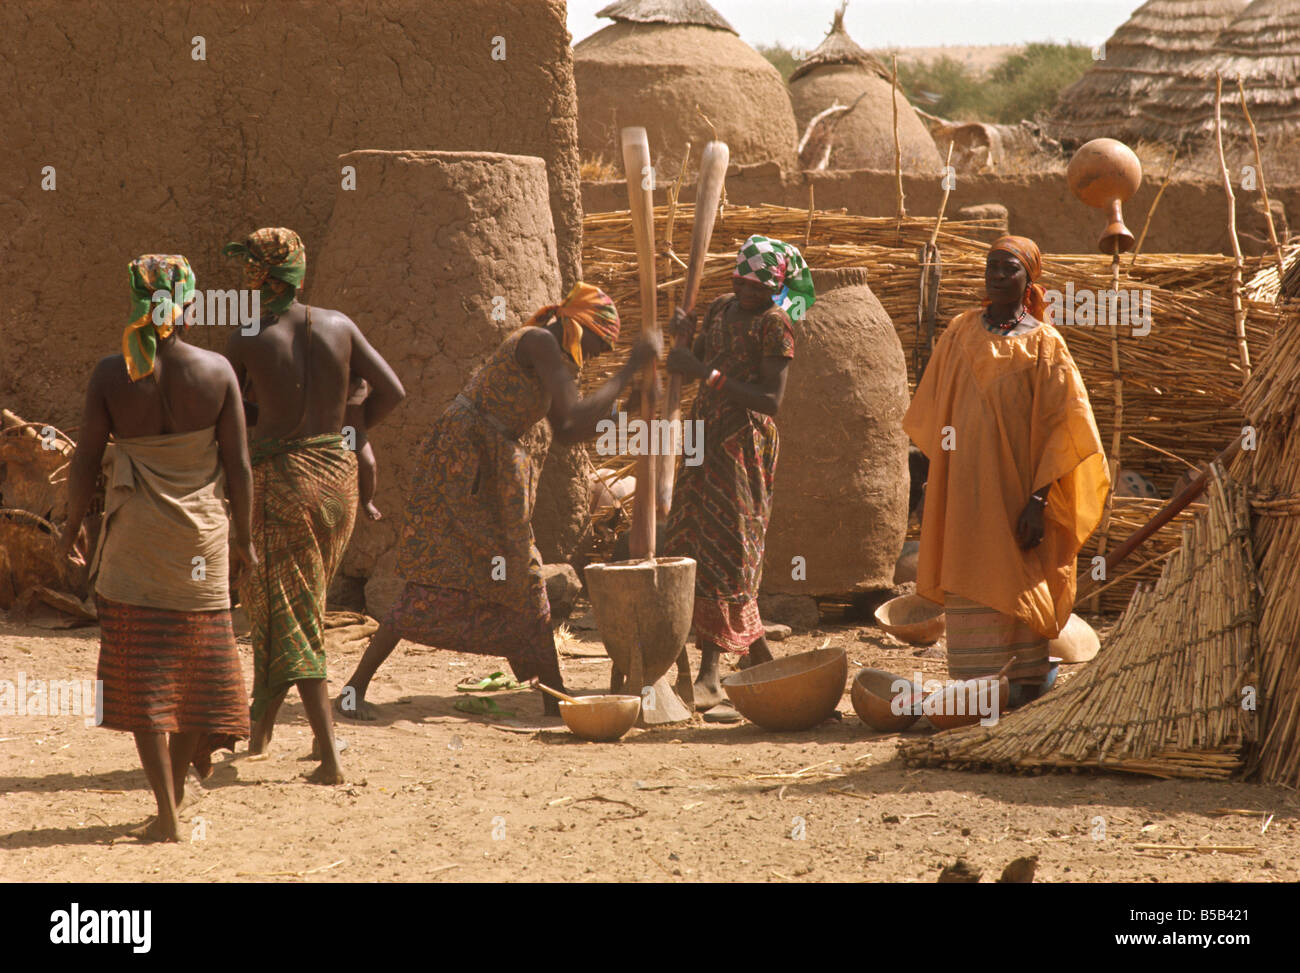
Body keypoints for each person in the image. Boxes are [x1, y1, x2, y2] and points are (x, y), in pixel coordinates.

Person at [336, 283, 660, 720]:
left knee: (510, 575)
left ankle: (552, 695)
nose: (600, 355)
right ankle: (553, 696)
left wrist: (630, 404)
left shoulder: (553, 351)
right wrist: (629, 370)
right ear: (580, 327)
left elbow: (568, 430)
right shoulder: (540, 342)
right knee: (478, 572)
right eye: (601, 344)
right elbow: (569, 420)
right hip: (465, 464)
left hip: (488, 465)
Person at [62, 254, 255, 842]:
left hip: (136, 541)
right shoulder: (217, 371)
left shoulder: (110, 374)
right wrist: (244, 539)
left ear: (135, 304)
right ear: (190, 304)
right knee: (200, 671)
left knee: (145, 675)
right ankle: (172, 800)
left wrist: (71, 529)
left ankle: (167, 813)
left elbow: (87, 460)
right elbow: (240, 467)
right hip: (201, 540)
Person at [224, 227, 404, 783]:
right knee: (290, 604)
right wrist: (346, 436)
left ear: (255, 275)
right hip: (337, 482)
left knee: (291, 613)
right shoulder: (339, 324)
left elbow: (233, 418)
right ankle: (261, 728)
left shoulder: (248, 334)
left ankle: (329, 756)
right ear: (299, 269)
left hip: (282, 484)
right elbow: (392, 391)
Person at [903, 235, 1110, 710]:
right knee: (968, 566)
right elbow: (935, 408)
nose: (997, 276)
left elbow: (1066, 428)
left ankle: (1020, 683)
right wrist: (935, 478)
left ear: (1028, 279)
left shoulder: (1045, 343)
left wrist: (1038, 501)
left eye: (1008, 269)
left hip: (1018, 491)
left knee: (1018, 572)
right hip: (964, 489)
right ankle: (977, 684)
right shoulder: (959, 331)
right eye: (991, 267)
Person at [663, 235, 813, 722]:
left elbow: (770, 400)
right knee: (690, 539)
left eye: (758, 285)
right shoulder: (721, 307)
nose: (746, 291)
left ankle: (712, 672)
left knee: (732, 547)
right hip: (704, 436)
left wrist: (705, 373)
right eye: (740, 281)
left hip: (743, 444)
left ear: (775, 287)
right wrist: (682, 340)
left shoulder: (776, 325)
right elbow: (696, 361)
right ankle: (756, 657)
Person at [345, 376, 382, 521]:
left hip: (350, 431)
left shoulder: (357, 371)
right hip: (328, 430)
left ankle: (367, 501)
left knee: (368, 464)